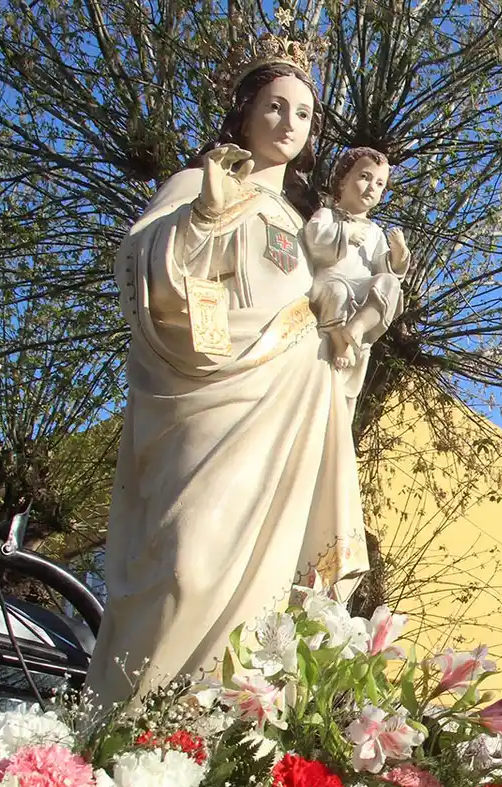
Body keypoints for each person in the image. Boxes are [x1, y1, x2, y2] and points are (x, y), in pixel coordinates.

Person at [85, 37, 371, 704]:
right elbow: (140, 270)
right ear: (244, 113)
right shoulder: (199, 182)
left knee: (276, 586)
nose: (288, 124)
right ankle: (141, 727)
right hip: (208, 397)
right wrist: (202, 219)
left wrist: (354, 321)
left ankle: (238, 729)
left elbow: (334, 318)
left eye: (303, 114)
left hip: (295, 407)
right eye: (274, 107)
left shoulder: (312, 224)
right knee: (186, 561)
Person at [304, 146, 408, 369]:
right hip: (329, 284)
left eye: (379, 184)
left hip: (360, 291)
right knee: (338, 292)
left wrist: (398, 256)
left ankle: (358, 326)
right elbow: (314, 239)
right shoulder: (328, 214)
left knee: (390, 284)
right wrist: (345, 232)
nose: (372, 187)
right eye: (364, 177)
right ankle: (340, 342)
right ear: (343, 181)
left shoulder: (375, 232)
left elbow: (382, 269)